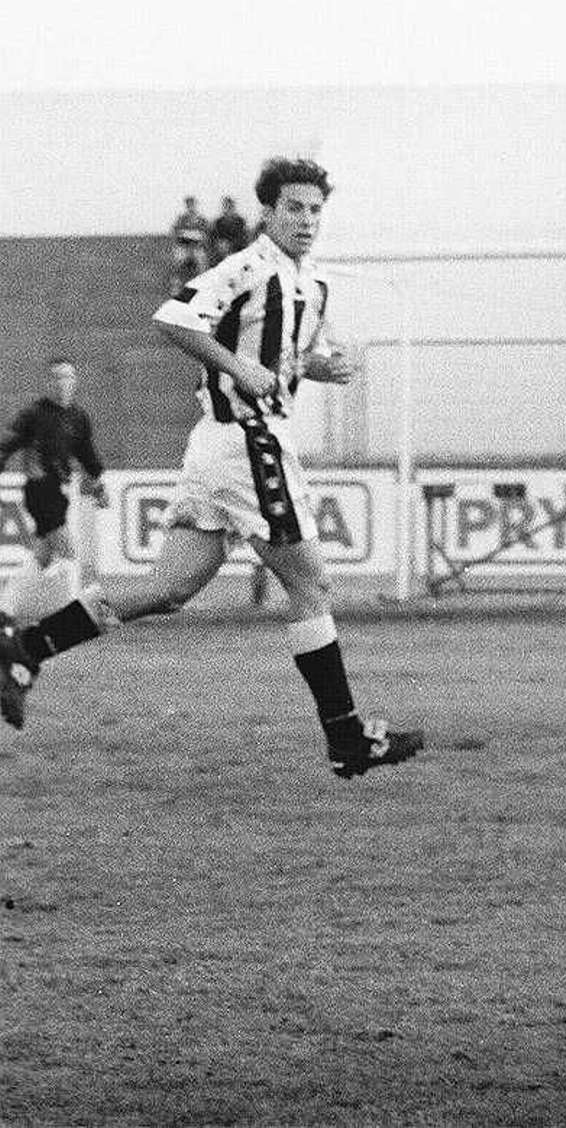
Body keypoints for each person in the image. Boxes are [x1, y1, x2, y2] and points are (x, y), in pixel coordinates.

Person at [0, 157, 422, 780]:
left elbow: (283, 354)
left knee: (170, 589)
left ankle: (25, 649)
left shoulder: (311, 283)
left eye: (314, 210)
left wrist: (313, 367)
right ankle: (347, 737)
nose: (306, 220)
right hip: (249, 445)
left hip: (219, 451)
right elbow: (173, 317)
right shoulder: (246, 267)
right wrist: (233, 366)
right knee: (311, 587)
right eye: (294, 209)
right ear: (268, 213)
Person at [0, 358, 109, 619]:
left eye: (69, 377)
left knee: (43, 555)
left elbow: (87, 456)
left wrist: (99, 487)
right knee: (69, 551)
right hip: (39, 491)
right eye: (58, 377)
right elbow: (5, 446)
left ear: (75, 381)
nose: (64, 383)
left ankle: (6, 608)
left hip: (60, 491)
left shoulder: (78, 417)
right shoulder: (34, 414)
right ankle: (73, 617)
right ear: (48, 382)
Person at [169, 195, 211, 296]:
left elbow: (205, 234)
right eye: (188, 205)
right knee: (178, 261)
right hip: (183, 247)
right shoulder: (181, 219)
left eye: (192, 204)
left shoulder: (201, 219)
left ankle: (202, 287)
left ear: (195, 206)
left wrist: (198, 240)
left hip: (197, 247)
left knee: (202, 261)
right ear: (186, 206)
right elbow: (175, 232)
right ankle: (176, 287)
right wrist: (183, 238)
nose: (191, 207)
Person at [211, 195, 250, 261]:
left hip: (237, 249)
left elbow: (244, 238)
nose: (228, 209)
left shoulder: (240, 221)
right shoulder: (218, 222)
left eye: (230, 206)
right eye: (226, 206)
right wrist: (219, 244)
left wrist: (230, 245)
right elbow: (213, 237)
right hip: (221, 250)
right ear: (223, 208)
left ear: (233, 208)